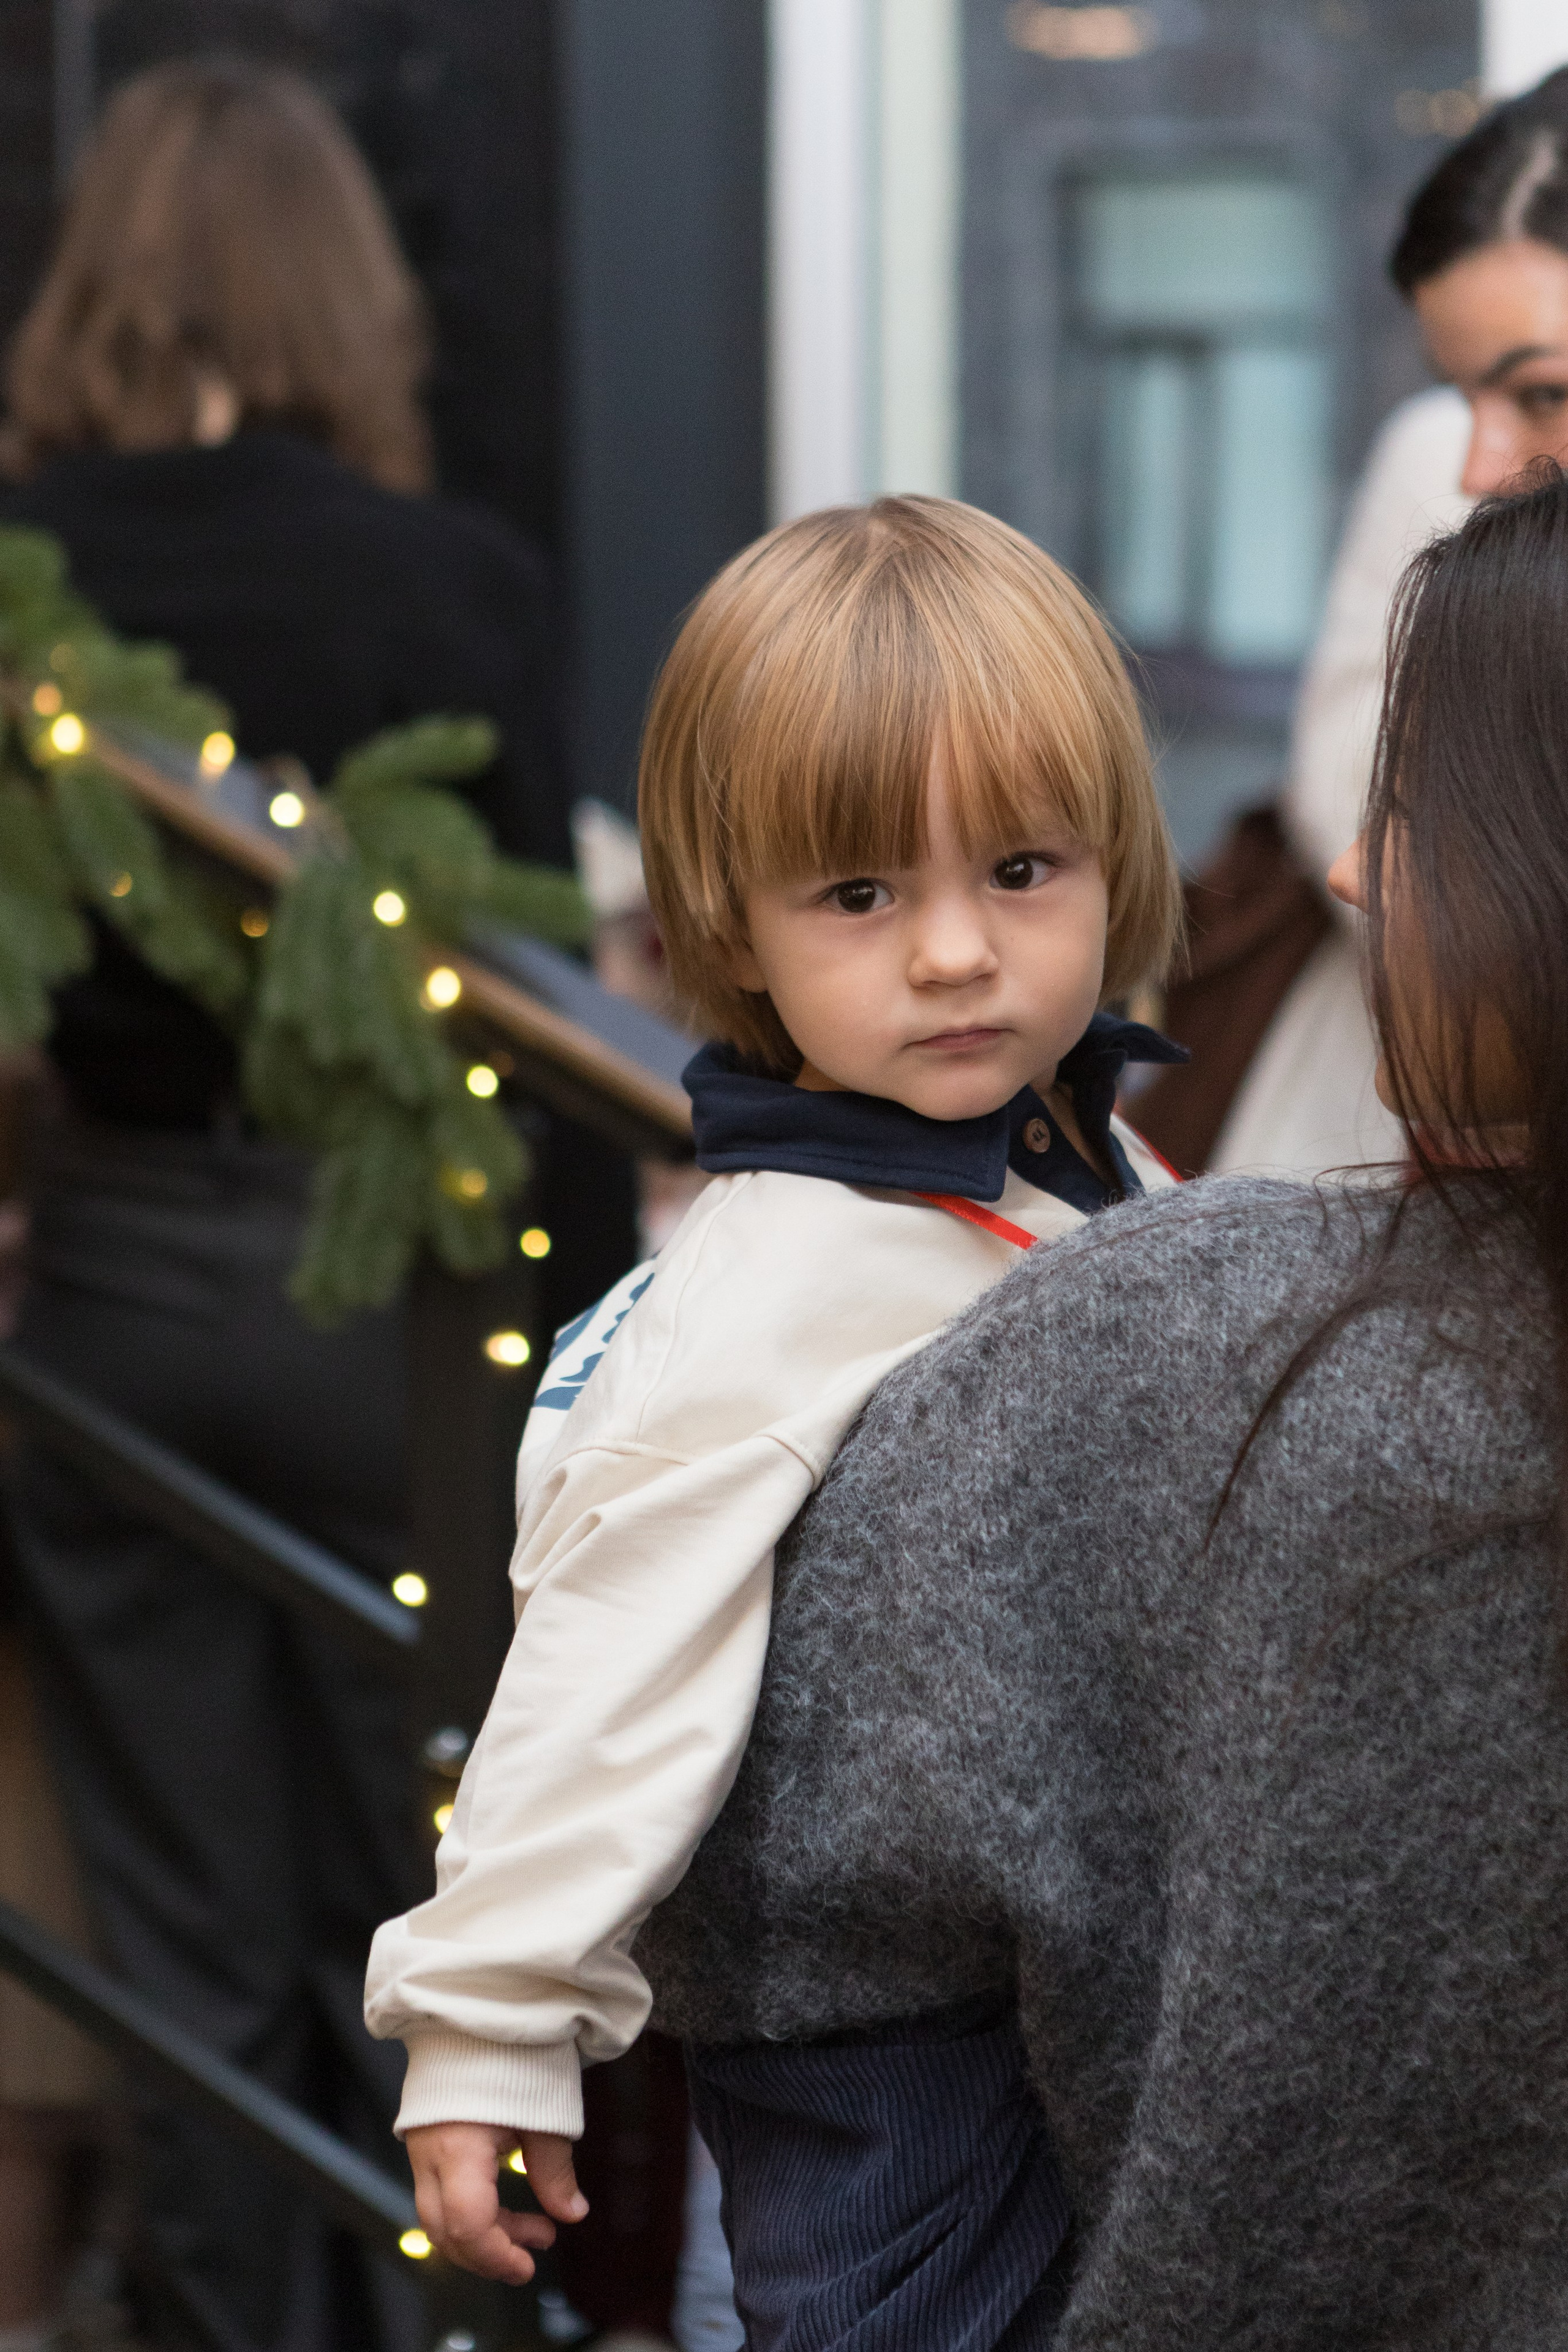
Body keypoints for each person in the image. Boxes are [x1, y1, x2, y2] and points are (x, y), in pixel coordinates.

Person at [636, 468, 1568, 2345]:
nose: (1356, 871)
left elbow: (821, 2011)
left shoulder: (1164, 1345)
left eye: (1423, 807)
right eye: (863, 890)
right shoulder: (810, 1300)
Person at [365, 494, 1185, 2343]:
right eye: (864, 894)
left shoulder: (1077, 1152)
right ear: (727, 924)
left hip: (1053, 1970)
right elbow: (600, 1650)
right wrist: (490, 2018)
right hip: (888, 2044)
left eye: (1025, 871)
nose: (959, 955)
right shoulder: (787, 1276)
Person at [0, 60, 630, 2352]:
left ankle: (205, 2311)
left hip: (113, 1290)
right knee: (417, 1881)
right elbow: (540, 997)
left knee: (176, 1919)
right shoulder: (452, 576)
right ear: (350, 291)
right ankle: (431, 2324)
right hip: (403, 1306)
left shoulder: (25, 592)